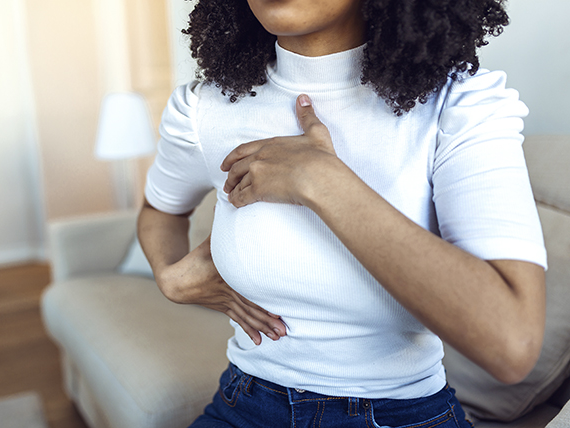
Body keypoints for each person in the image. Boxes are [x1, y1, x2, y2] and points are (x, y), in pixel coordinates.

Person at [137, 0, 547, 426]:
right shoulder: (204, 109)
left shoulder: (460, 105)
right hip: (243, 403)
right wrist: (169, 275)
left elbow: (511, 344)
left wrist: (322, 181)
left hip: (401, 414)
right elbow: (160, 210)